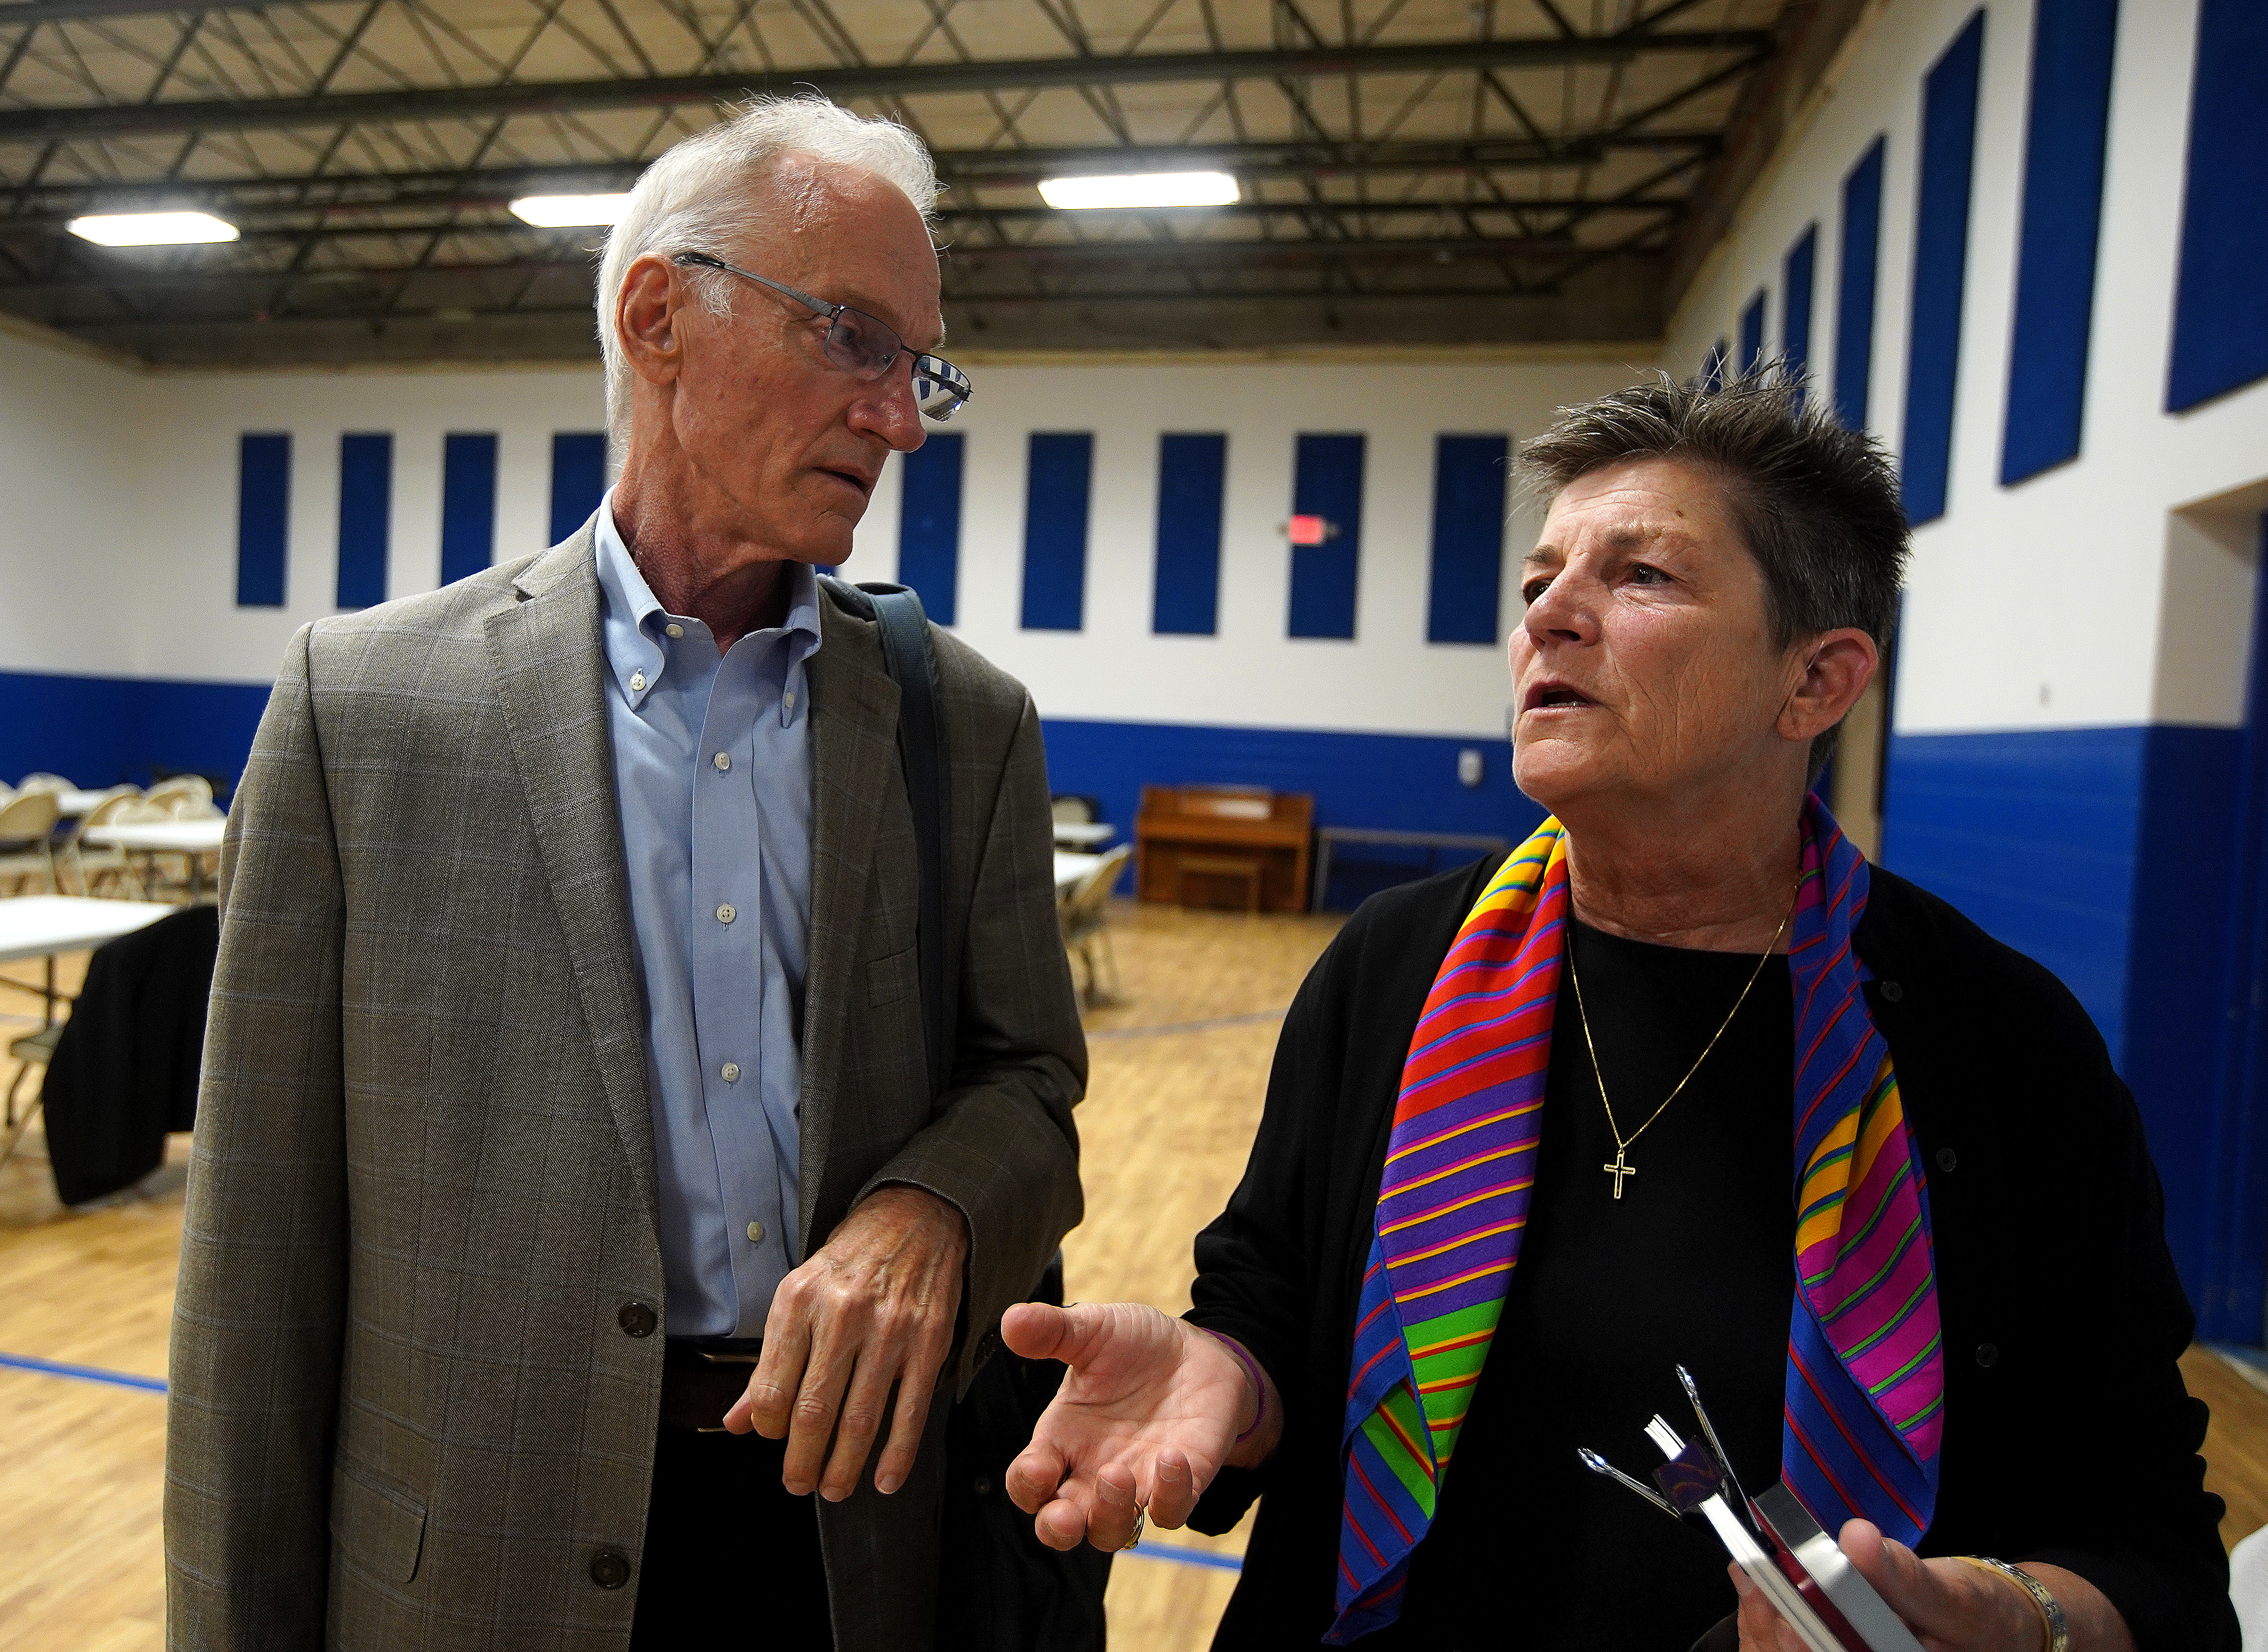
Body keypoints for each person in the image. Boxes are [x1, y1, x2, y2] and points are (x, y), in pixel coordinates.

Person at [1002, 373, 2237, 1651]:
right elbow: (1271, 1308)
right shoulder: (1394, 965)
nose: (1551, 615)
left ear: (1815, 680)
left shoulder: (2003, 1050)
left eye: (1640, 574)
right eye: (1541, 578)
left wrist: (2009, 1617)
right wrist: (1232, 1379)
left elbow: (2154, 1553)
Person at [165, 97, 1087, 1651]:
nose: (903, 419)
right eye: (854, 338)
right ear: (660, 316)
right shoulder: (365, 709)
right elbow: (255, 1266)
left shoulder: (961, 723)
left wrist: (928, 1207)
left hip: (848, 1548)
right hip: (469, 1566)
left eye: (919, 366)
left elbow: (1032, 1083)